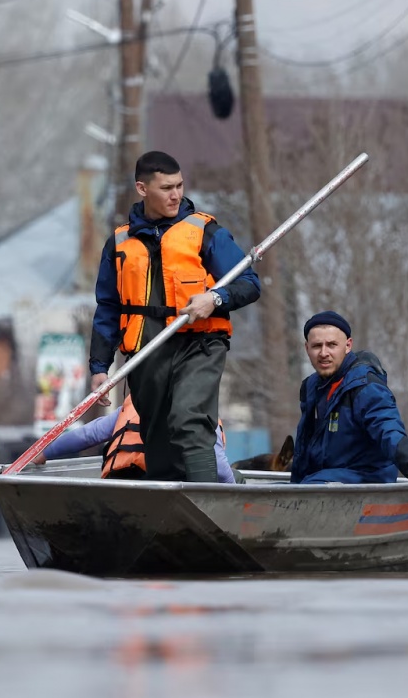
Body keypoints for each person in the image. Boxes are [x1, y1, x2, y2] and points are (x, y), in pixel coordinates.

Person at [89, 151, 261, 483]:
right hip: (145, 352)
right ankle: (174, 519)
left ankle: (210, 506)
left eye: (180, 186)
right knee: (158, 439)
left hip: (199, 344)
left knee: (188, 419)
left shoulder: (204, 232)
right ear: (142, 188)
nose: (176, 195)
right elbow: (108, 307)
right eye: (166, 187)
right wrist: (99, 366)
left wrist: (215, 298)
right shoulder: (119, 243)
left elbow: (249, 284)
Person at [290, 311, 408, 490]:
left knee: (309, 490)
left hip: (365, 478)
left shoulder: (365, 386)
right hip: (325, 477)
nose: (324, 353)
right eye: (317, 346)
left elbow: (389, 431)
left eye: (332, 345)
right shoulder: (311, 386)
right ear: (306, 348)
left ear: (348, 345)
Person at [34, 394, 236, 483]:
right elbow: (219, 466)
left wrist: (46, 452)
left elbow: (88, 434)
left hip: (118, 480)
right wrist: (234, 492)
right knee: (235, 477)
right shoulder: (201, 413)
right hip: (160, 489)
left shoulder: (134, 406)